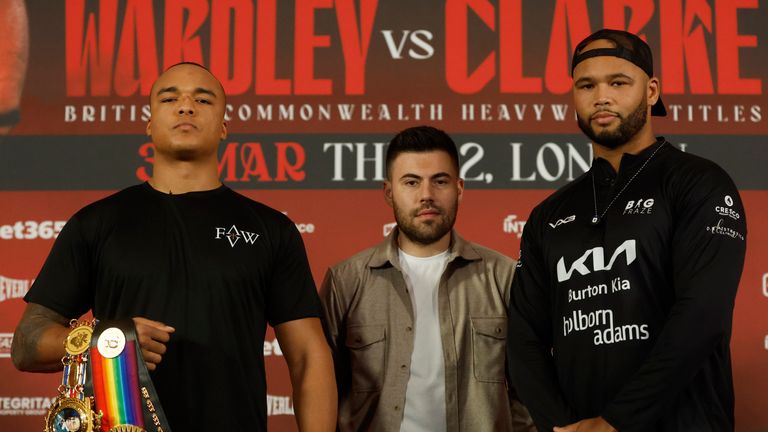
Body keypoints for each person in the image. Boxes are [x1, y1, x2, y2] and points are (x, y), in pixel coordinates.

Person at [11, 62, 337, 431]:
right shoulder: (96, 223)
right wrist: (111, 340)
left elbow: (309, 357)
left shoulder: (271, 230)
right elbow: (25, 344)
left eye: (203, 99)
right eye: (170, 98)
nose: (186, 106)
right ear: (150, 125)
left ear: (224, 126)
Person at [506, 29, 747, 432]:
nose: (601, 96)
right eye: (587, 85)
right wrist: (563, 427)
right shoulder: (548, 214)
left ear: (651, 91)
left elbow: (702, 314)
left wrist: (615, 422)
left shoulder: (699, 182)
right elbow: (523, 340)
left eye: (618, 82)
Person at [320, 125, 535, 431]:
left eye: (440, 181)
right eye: (411, 182)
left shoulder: (503, 277)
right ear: (388, 192)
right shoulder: (346, 281)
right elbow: (321, 391)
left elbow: (528, 393)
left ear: (459, 188)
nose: (426, 195)